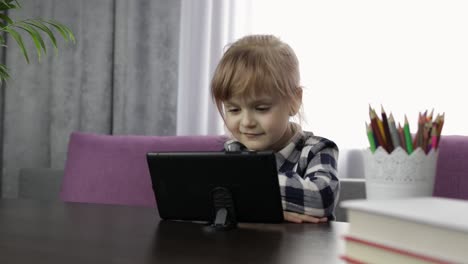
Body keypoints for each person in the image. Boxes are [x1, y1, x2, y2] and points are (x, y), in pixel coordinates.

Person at [210, 35, 340, 223]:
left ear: (294, 101)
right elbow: (208, 201)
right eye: (234, 109)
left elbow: (321, 198)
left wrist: (243, 193)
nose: (246, 122)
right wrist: (268, 209)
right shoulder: (233, 150)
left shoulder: (316, 150)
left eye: (261, 109)